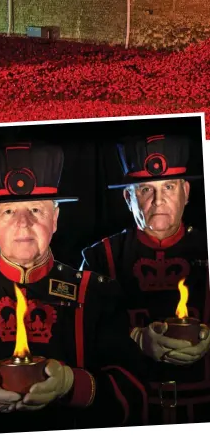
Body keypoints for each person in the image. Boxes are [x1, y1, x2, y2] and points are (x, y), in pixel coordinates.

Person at [0, 143, 149, 436]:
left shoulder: (97, 293)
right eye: (8, 211)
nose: (23, 223)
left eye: (35, 209)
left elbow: (134, 393)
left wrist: (71, 385)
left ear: (55, 218)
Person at [81, 134, 210, 425]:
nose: (159, 200)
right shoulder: (100, 257)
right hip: (129, 415)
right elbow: (76, 339)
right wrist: (134, 339)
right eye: (145, 189)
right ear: (128, 198)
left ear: (186, 192)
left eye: (169, 187)